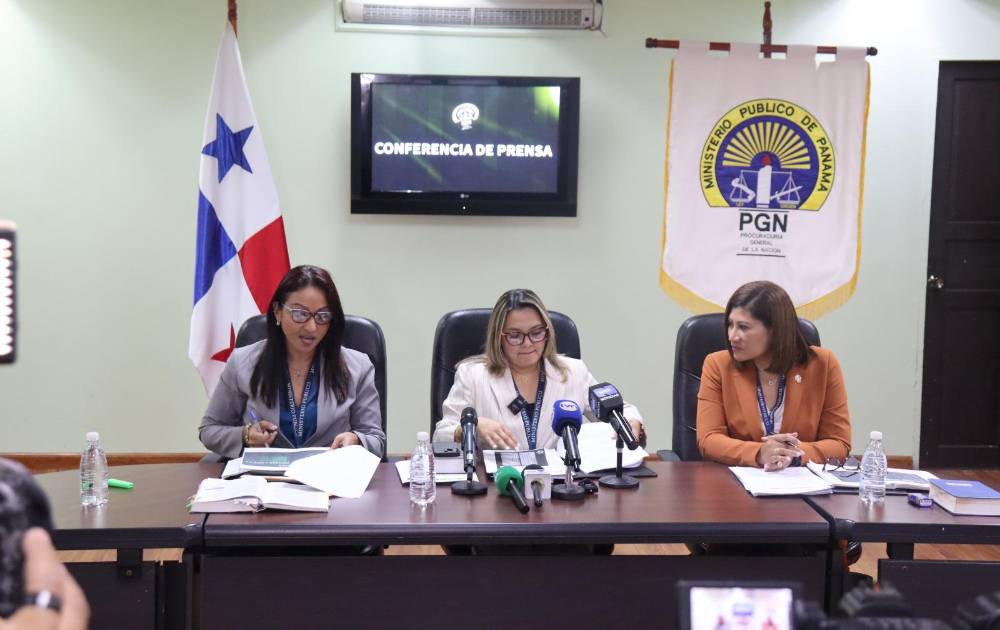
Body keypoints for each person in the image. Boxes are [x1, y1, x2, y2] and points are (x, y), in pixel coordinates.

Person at [200, 265, 385, 460]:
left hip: (327, 474)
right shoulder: (242, 362)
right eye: (300, 314)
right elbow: (209, 430)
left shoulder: (358, 367)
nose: (312, 327)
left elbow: (375, 440)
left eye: (322, 316)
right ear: (278, 311)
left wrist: (356, 440)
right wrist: (245, 435)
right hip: (263, 475)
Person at [434, 288, 644, 451]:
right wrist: (471, 426)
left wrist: (632, 422)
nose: (527, 343)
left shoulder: (574, 372)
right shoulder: (473, 375)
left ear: (547, 333)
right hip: (498, 484)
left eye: (536, 333)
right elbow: (441, 436)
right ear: (499, 338)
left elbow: (618, 412)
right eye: (515, 335)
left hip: (560, 485)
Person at [696, 280, 850, 470]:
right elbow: (708, 440)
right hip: (736, 480)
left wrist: (792, 455)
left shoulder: (823, 364)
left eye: (743, 327)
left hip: (801, 481)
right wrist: (760, 453)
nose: (732, 336)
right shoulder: (717, 365)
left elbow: (839, 443)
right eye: (730, 325)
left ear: (775, 330)